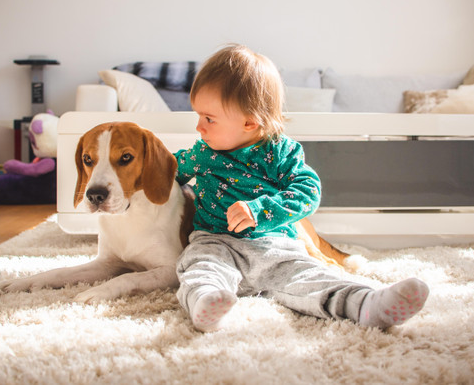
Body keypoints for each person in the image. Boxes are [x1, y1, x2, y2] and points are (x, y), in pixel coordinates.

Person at [174, 44, 429, 332]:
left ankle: (368, 304)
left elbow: (308, 191)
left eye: (209, 118)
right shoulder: (202, 154)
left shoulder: (280, 153)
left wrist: (262, 209)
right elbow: (167, 173)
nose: (199, 127)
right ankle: (206, 303)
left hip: (274, 246)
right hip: (216, 242)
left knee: (313, 278)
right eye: (198, 116)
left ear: (250, 122)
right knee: (200, 267)